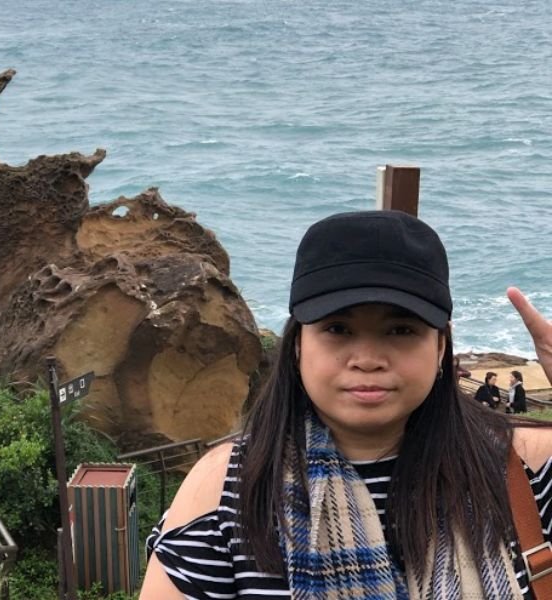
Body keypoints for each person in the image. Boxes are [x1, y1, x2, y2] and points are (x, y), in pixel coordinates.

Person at [141, 210, 552, 600]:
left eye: (401, 329)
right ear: (299, 344)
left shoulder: (526, 465)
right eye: (338, 328)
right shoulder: (226, 486)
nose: (368, 358)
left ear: (441, 346)